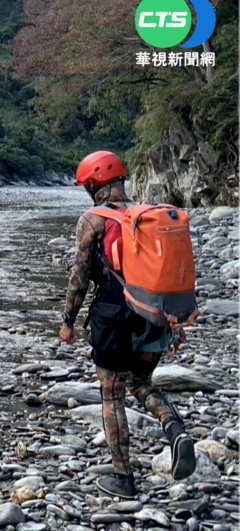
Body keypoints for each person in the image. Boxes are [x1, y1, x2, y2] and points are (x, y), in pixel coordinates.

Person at [59, 151, 195, 499]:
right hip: (154, 317)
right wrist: (175, 324)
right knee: (141, 382)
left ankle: (124, 479)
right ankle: (176, 431)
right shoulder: (145, 217)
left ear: (95, 185)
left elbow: (79, 277)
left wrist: (68, 321)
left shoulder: (93, 220)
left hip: (114, 318)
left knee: (112, 396)